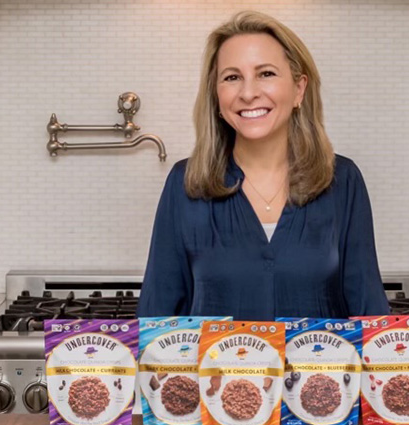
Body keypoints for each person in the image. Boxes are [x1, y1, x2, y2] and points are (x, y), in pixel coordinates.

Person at [137, 10, 389, 320]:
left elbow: (369, 313)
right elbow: (157, 318)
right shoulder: (184, 183)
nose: (248, 93)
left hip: (322, 370)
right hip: (214, 371)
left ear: (299, 89)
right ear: (216, 97)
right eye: (232, 77)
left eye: (266, 73)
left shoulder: (343, 181)